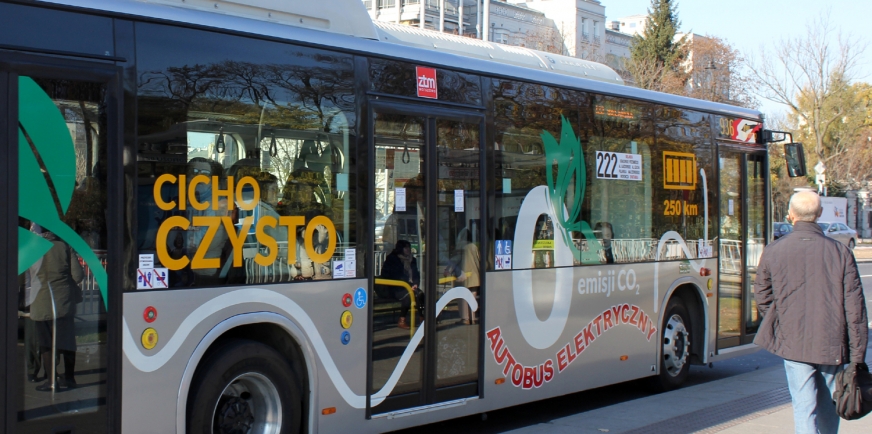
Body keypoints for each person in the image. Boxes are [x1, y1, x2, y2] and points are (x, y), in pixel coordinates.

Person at [753, 191, 868, 434]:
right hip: (832, 343)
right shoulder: (840, 253)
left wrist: (779, 323)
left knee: (804, 408)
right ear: (818, 214)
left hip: (793, 341)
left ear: (791, 215)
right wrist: (858, 355)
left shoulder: (774, 250)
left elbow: (762, 295)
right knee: (829, 406)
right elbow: (855, 307)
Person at [30, 226, 84, 391]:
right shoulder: (64, 246)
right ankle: (69, 378)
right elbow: (78, 275)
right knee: (67, 342)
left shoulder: (32, 248)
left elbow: (22, 276)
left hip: (40, 302)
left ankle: (52, 381)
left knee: (46, 344)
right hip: (63, 302)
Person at [380, 240, 422, 329]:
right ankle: (402, 320)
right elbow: (393, 275)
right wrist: (408, 284)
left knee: (420, 294)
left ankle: (423, 317)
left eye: (409, 247)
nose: (408, 250)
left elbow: (416, 274)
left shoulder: (412, 259)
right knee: (408, 296)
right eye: (405, 247)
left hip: (408, 285)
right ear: (400, 248)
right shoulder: (392, 258)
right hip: (394, 287)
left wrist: (415, 284)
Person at [456, 231, 480, 325]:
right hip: (475, 275)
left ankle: (465, 318)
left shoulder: (463, 248)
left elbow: (457, 259)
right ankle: (473, 318)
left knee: (464, 297)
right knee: (472, 298)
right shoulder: (474, 247)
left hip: (465, 275)